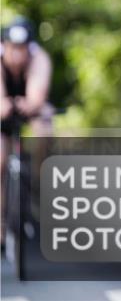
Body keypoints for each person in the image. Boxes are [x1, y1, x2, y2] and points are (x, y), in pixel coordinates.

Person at [1, 16, 54, 251]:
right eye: (13, 48)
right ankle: (1, 226)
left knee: (44, 128)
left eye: (22, 49)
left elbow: (37, 96)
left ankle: (36, 183)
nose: (17, 55)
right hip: (4, 105)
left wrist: (32, 104)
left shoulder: (39, 58)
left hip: (28, 105)